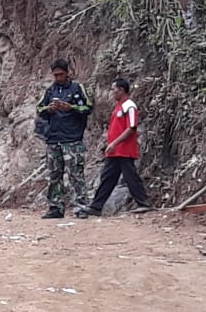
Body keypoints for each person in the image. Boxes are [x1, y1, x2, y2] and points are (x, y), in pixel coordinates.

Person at [79, 78, 155, 217]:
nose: (112, 92)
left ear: (121, 90)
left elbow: (131, 128)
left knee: (130, 176)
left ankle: (144, 202)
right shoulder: (119, 107)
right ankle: (96, 206)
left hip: (124, 150)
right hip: (115, 151)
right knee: (108, 177)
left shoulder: (129, 106)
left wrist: (114, 143)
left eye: (114, 89)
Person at [36, 59, 93, 219]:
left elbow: (88, 107)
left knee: (76, 174)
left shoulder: (77, 88)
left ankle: (80, 207)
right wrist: (50, 109)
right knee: (54, 174)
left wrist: (72, 107)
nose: (58, 77)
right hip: (53, 139)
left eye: (61, 74)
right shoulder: (50, 91)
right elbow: (39, 109)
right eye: (55, 75)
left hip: (73, 139)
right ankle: (55, 207)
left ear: (67, 73)